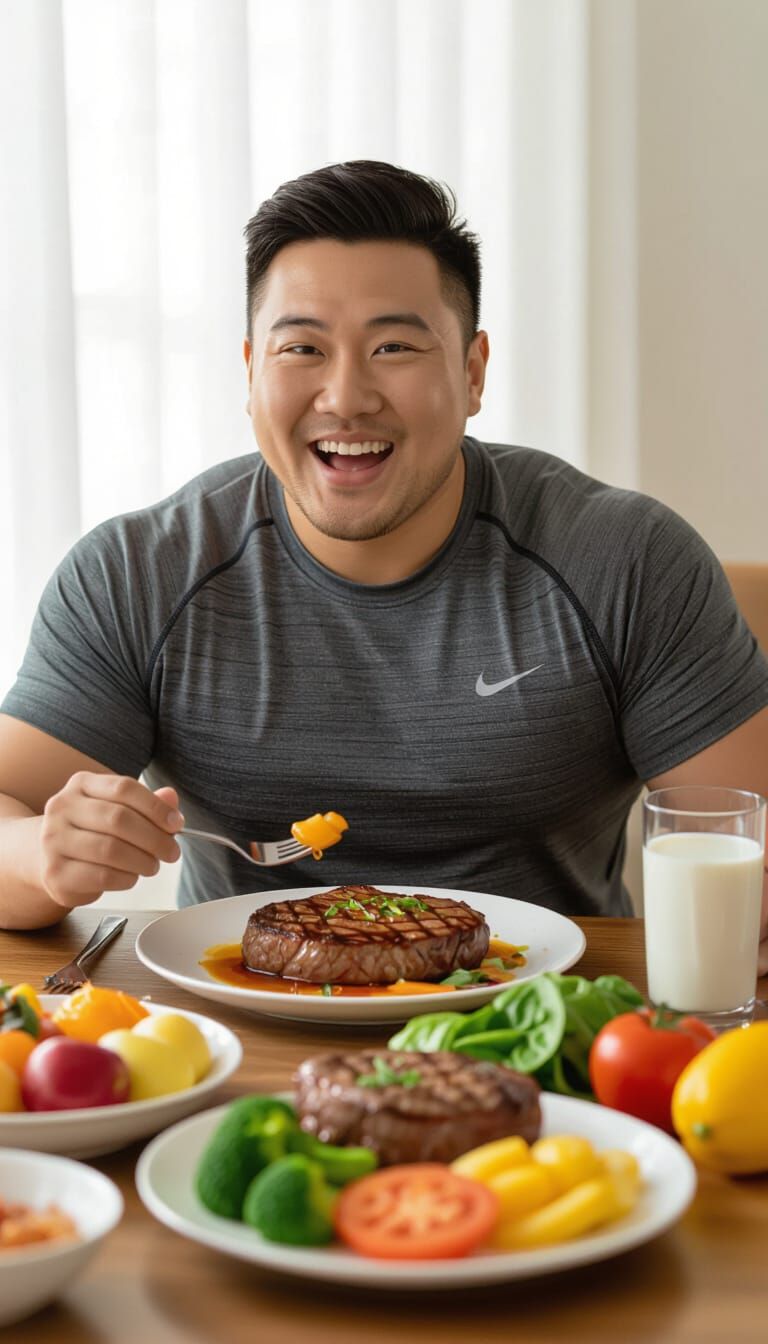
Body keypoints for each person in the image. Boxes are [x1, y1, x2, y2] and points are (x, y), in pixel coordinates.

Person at [1, 160, 767, 970]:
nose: (347, 395)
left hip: (547, 1033)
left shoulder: (625, 559)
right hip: (236, 1041)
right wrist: (43, 854)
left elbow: (745, 833)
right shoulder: (138, 574)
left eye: (394, 345)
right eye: (302, 347)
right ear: (251, 372)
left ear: (472, 372)